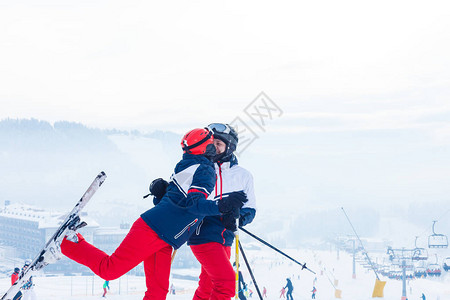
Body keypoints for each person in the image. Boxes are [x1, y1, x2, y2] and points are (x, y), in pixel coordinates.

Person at [60, 128, 246, 300]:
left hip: (163, 238)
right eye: (210, 143)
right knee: (110, 270)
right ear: (205, 148)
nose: (213, 147)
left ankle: (69, 241)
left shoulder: (187, 165)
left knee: (157, 291)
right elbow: (194, 204)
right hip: (153, 231)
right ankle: (68, 242)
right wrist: (224, 205)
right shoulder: (205, 170)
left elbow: (171, 202)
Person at [188, 123, 257, 300]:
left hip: (225, 236)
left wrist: (237, 219)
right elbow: (181, 197)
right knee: (226, 283)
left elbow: (250, 208)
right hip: (203, 233)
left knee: (207, 286)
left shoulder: (242, 175)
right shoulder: (199, 170)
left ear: (230, 147)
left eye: (218, 143)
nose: (214, 147)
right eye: (212, 143)